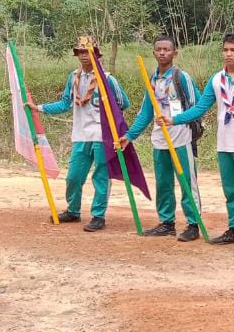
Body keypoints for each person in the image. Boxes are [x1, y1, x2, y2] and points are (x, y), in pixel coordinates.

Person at [164, 32, 234, 254]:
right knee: (231, 189)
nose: (229, 54)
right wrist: (175, 119)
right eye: (226, 50)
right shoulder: (216, 79)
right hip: (224, 142)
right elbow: (201, 107)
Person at [33, 36, 131, 232]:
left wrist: (109, 118)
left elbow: (123, 103)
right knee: (74, 176)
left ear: (96, 53)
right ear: (77, 54)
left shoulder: (107, 79)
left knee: (101, 176)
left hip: (102, 135)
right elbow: (65, 103)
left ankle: (98, 216)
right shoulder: (74, 77)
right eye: (81, 52)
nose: (85, 56)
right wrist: (38, 108)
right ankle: (73, 210)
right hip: (80, 134)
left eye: (88, 52)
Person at [117, 35, 202, 242]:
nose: (162, 53)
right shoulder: (152, 81)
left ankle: (193, 224)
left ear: (175, 53)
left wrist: (177, 120)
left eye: (167, 49)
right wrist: (129, 136)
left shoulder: (182, 77)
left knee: (187, 182)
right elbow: (146, 113)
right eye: (159, 49)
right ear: (154, 53)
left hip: (181, 138)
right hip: (159, 140)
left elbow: (199, 106)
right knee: (163, 183)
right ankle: (167, 223)